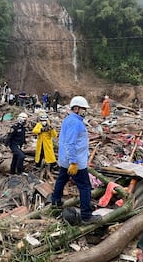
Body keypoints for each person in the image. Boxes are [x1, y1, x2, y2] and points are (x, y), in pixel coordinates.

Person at [51, 96, 101, 224]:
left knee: (61, 180)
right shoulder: (75, 122)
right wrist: (73, 162)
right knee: (85, 187)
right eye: (84, 109)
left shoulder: (70, 120)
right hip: (75, 162)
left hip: (65, 160)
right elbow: (70, 144)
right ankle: (86, 216)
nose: (85, 111)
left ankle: (55, 202)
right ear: (76, 108)